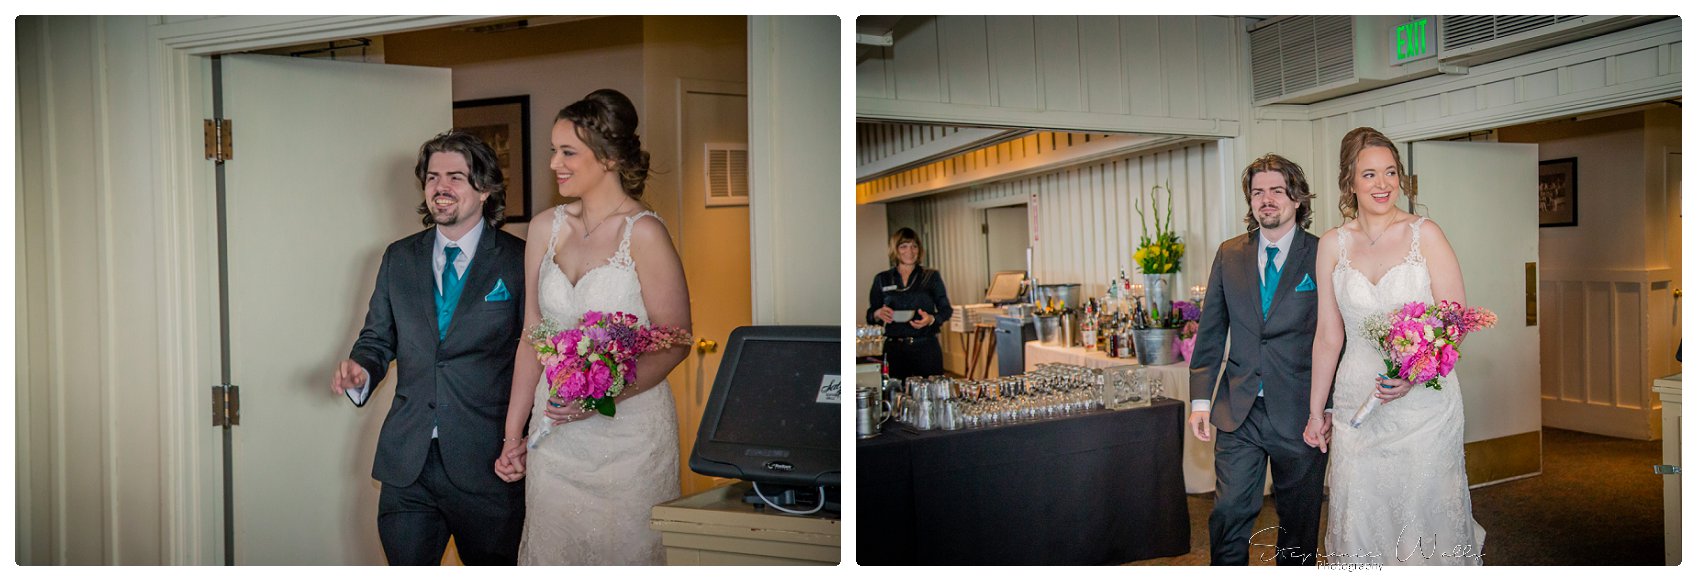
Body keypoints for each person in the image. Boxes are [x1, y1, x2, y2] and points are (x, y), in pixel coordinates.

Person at [494, 88, 692, 565]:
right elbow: (532, 335)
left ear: (607, 158)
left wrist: (599, 395)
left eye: (567, 152)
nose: (554, 164)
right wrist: (512, 435)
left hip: (629, 439)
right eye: (552, 151)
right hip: (554, 437)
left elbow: (676, 340)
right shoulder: (544, 228)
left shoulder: (644, 233)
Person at [329, 131, 528, 565]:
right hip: (408, 465)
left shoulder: (519, 261)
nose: (441, 187)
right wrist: (362, 370)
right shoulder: (398, 257)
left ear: (486, 187)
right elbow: (377, 338)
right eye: (433, 177)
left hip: (488, 463)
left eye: (456, 177)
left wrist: (527, 438)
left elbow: (538, 358)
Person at [1303, 127, 1484, 565]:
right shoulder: (1332, 245)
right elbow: (1329, 334)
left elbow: (1454, 323)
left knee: (1423, 511)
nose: (1382, 184)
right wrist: (1316, 411)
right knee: (1362, 509)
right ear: (1349, 181)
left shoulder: (1427, 235)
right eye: (1369, 174)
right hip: (1356, 402)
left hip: (1423, 405)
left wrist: (1415, 373)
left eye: (1390, 172)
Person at [1187, 153, 1328, 566]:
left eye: (1277, 191)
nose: (1267, 200)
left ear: (1297, 199)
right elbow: (1211, 331)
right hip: (1239, 409)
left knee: (1298, 525)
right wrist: (1200, 401)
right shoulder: (1230, 254)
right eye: (1258, 192)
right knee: (1230, 512)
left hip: (1301, 412)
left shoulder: (1322, 254)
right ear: (1250, 201)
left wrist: (1328, 406)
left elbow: (1336, 337)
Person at [865, 228, 952, 380]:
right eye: (903, 246)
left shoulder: (931, 276)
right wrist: (878, 313)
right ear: (895, 250)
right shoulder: (882, 279)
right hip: (894, 348)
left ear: (919, 249)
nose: (910, 251)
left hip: (925, 346)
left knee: (930, 395)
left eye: (914, 246)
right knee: (896, 393)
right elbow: (871, 315)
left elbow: (946, 310)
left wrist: (931, 319)